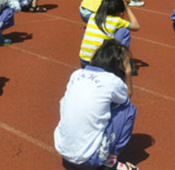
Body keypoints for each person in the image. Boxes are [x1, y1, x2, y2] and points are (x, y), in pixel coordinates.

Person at [55, 40, 137, 170]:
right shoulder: (113, 81)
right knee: (128, 109)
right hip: (87, 160)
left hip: (64, 151)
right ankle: (110, 161)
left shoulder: (76, 74)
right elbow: (128, 96)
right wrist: (127, 71)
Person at [79, 0, 140, 67]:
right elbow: (136, 26)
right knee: (124, 31)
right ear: (120, 11)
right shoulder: (116, 20)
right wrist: (126, 7)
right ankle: (122, 63)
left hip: (84, 60)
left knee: (88, 34)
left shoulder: (92, 16)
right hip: (100, 64)